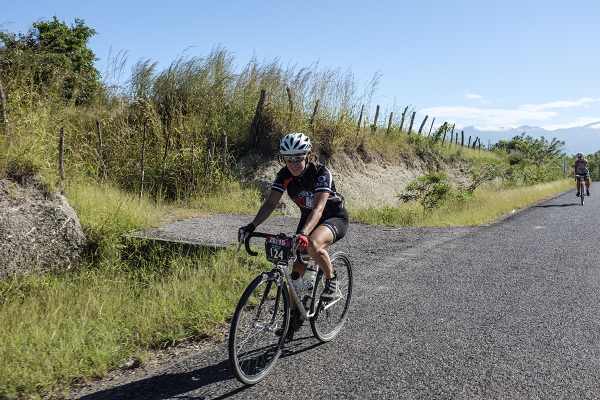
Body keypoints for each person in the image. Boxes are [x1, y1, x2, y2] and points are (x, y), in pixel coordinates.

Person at [238, 132, 349, 335]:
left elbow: (318, 209)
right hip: (308, 220)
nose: (294, 164)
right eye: (289, 159)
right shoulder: (284, 175)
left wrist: (304, 234)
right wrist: (252, 226)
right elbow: (271, 203)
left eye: (298, 158)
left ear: (307, 155)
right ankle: (295, 316)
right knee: (296, 272)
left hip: (332, 217)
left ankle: (332, 280)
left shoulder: (321, 173)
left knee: (313, 244)